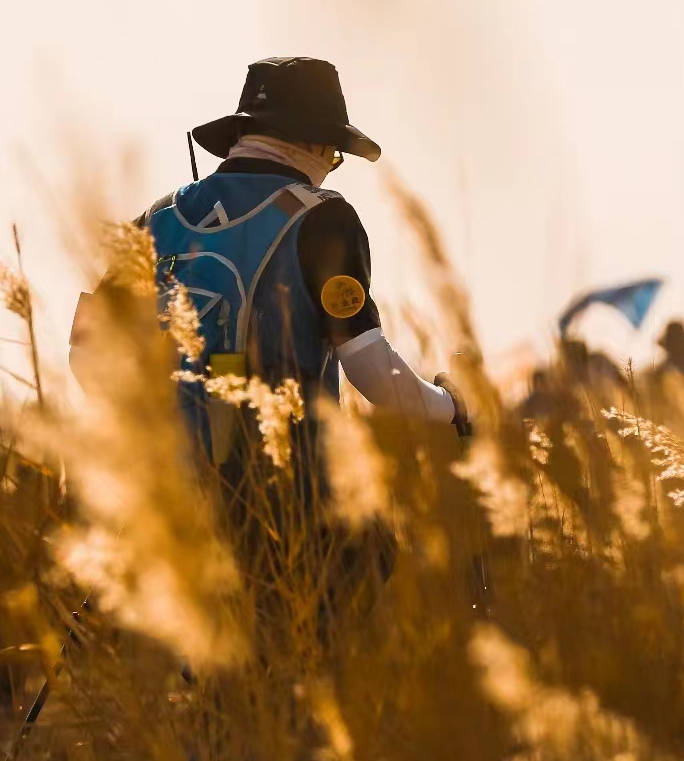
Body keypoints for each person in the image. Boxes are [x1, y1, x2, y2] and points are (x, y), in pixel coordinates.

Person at [74, 56, 468, 491]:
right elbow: (373, 373)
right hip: (283, 502)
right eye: (335, 155)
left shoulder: (158, 216)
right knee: (377, 556)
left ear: (241, 136)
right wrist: (452, 405)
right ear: (316, 144)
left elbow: (85, 353)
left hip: (162, 507)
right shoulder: (323, 217)